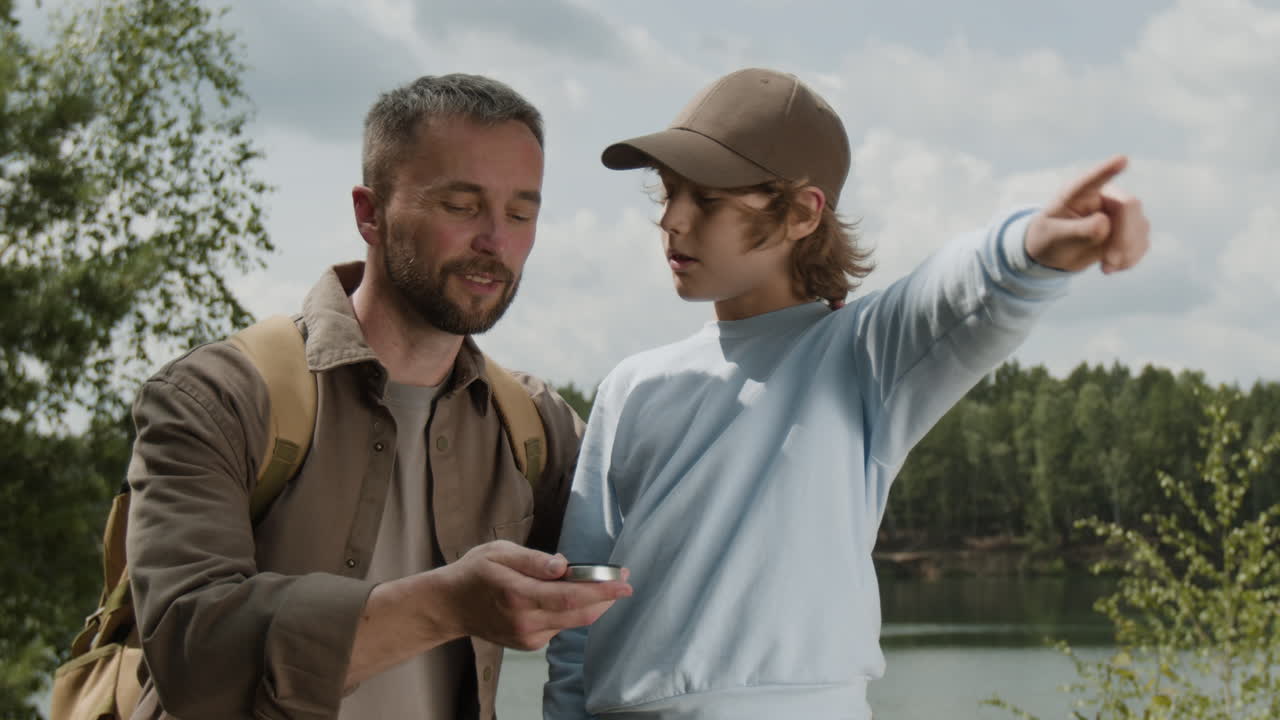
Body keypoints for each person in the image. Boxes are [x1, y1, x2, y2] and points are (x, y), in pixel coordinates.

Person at [543, 67, 1149, 719]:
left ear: (803, 212)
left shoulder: (855, 357)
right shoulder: (632, 386)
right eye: (668, 192)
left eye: (707, 199)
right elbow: (579, 608)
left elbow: (945, 300)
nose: (672, 220)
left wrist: (1031, 248)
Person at [124, 73, 631, 720]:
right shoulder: (217, 397)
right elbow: (192, 658)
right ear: (369, 213)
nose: (496, 241)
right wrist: (447, 604)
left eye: (521, 213)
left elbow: (663, 574)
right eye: (460, 205)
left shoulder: (535, 426)